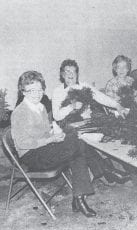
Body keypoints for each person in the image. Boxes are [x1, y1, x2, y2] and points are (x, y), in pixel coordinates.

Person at [11, 71, 97, 217]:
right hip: (32, 156)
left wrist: (55, 134)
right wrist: (51, 139)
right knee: (78, 144)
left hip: (45, 149)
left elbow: (45, 132)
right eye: (31, 90)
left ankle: (79, 197)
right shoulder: (20, 112)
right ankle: (85, 192)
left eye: (40, 89)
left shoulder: (41, 107)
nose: (37, 94)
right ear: (23, 91)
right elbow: (23, 143)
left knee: (75, 140)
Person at [52, 59, 130, 184]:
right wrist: (71, 107)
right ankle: (108, 172)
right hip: (67, 126)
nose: (71, 74)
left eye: (73, 72)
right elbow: (56, 116)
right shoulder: (57, 91)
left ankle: (111, 170)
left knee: (108, 132)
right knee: (84, 140)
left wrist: (117, 106)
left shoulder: (84, 86)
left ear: (77, 74)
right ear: (62, 74)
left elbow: (101, 97)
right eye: (67, 72)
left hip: (85, 122)